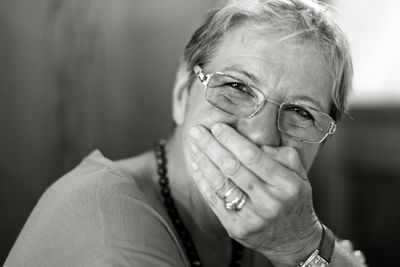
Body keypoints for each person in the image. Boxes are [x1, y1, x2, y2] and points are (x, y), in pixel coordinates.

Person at [5, 0, 367, 266]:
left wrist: (303, 244)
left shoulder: (275, 225)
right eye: (237, 88)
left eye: (302, 112)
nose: (260, 136)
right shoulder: (111, 239)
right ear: (182, 93)